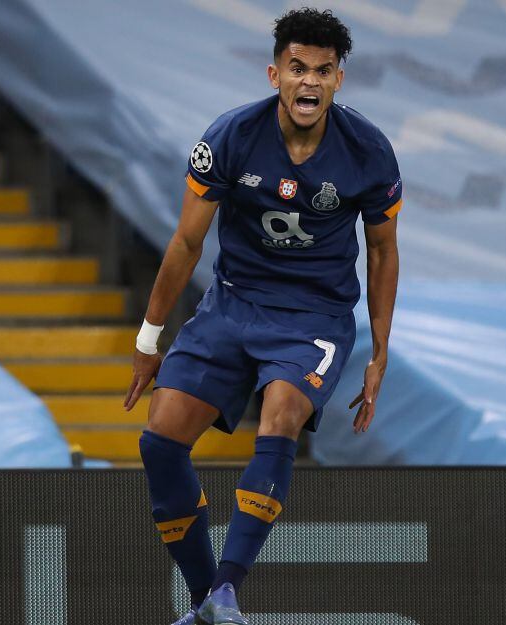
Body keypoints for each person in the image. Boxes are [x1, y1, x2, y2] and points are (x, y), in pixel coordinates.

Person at [123, 7, 402, 625]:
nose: (310, 82)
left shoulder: (369, 152)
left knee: (280, 414)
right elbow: (186, 243)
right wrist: (148, 339)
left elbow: (383, 250)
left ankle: (227, 589)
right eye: (298, 68)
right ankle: (208, 602)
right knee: (160, 440)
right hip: (233, 305)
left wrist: (380, 352)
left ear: (339, 79)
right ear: (275, 74)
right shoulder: (230, 137)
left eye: (323, 71)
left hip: (314, 318)